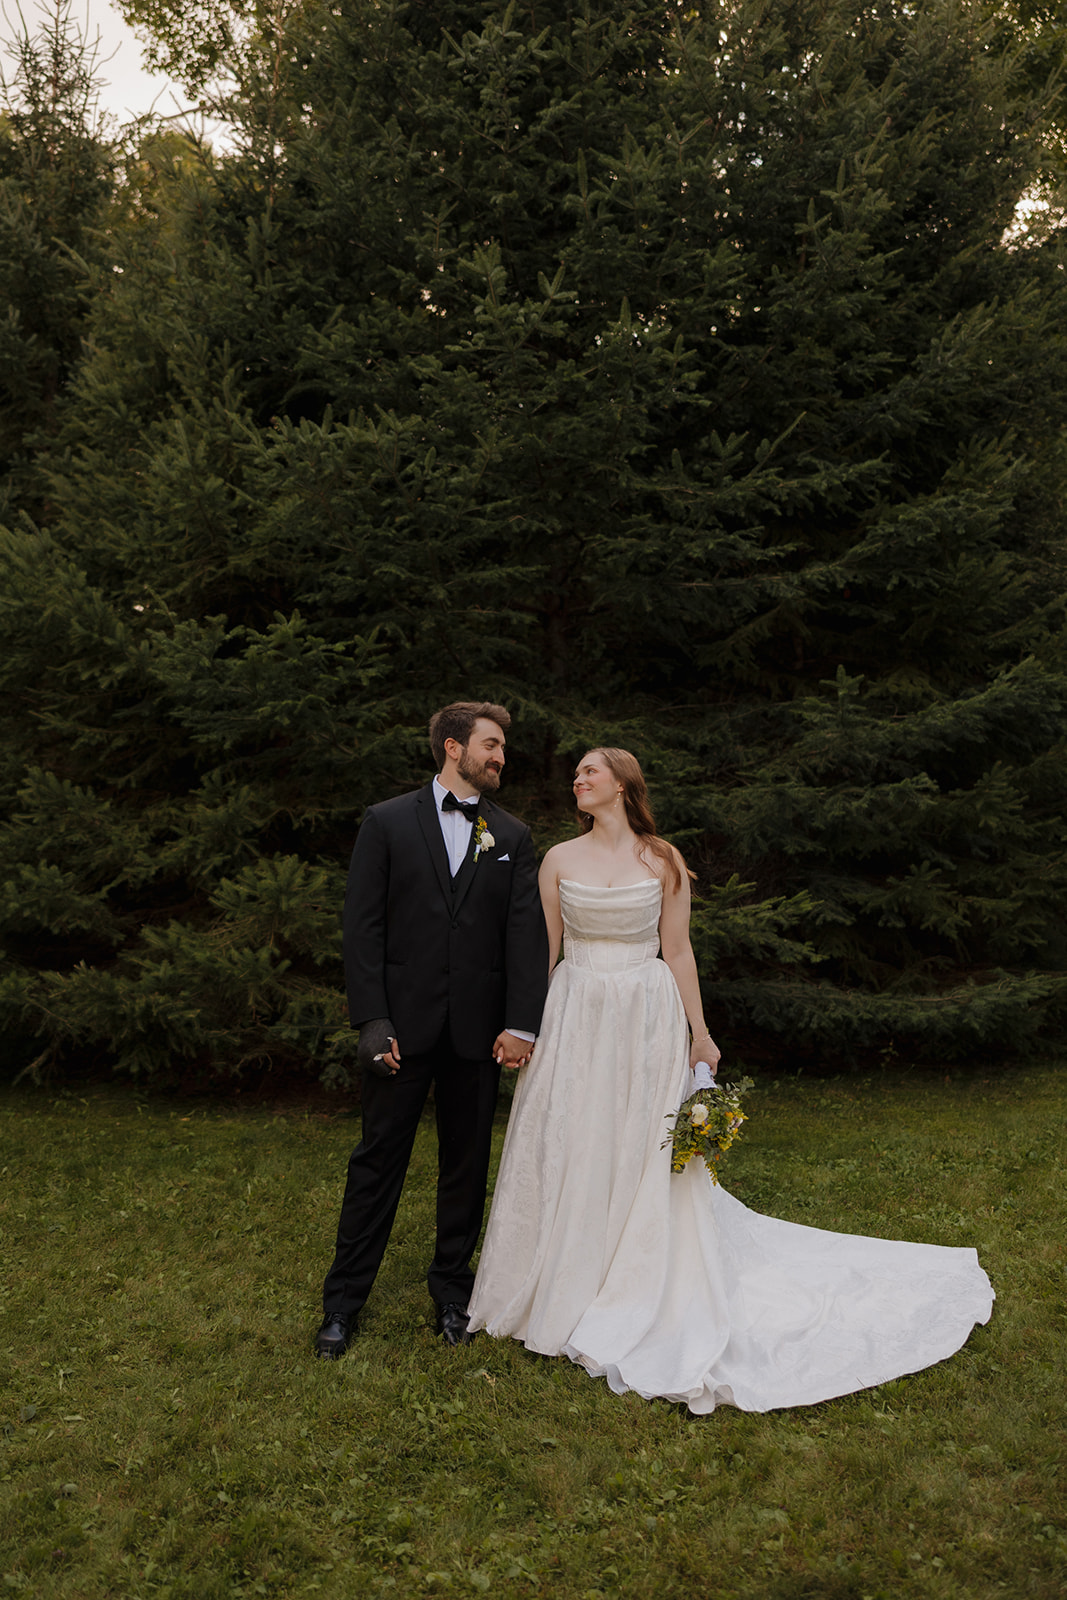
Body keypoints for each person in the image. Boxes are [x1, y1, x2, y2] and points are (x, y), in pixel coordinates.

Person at [467, 748, 994, 1413]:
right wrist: (528, 1027)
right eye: (574, 771)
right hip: (576, 1010)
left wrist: (699, 1033)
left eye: (590, 770)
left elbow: (678, 949)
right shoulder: (558, 861)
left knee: (639, 1144)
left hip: (643, 1012)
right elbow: (541, 952)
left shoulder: (661, 860)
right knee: (571, 1136)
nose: (577, 778)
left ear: (624, 784)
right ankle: (560, 1279)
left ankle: (632, 1277)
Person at [316, 702, 549, 1357]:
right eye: (491, 745)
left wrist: (519, 1025)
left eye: (501, 747)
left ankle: (452, 1294)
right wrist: (372, 1020)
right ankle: (341, 1304)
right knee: (375, 1164)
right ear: (453, 746)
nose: (500, 757)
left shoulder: (512, 835)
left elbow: (523, 937)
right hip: (401, 1031)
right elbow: (362, 929)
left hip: (478, 1037)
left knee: (465, 1169)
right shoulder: (386, 822)